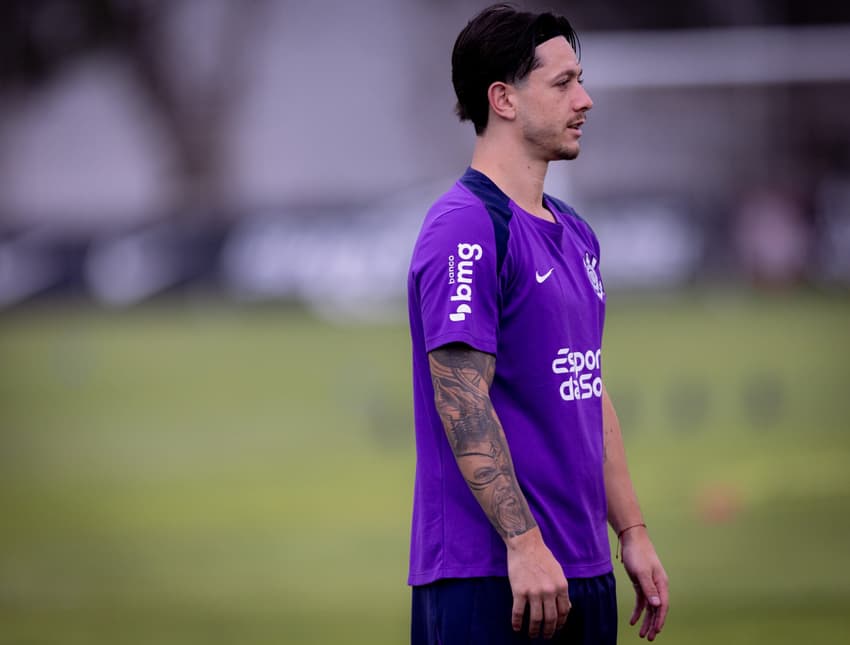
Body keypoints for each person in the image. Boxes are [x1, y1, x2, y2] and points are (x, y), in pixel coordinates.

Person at [406, 4, 669, 644]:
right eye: (562, 83)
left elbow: (587, 388)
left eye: (580, 81)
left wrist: (631, 531)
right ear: (503, 99)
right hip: (493, 573)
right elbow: (461, 399)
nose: (584, 99)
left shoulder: (576, 233)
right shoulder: (466, 228)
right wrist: (524, 543)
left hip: (583, 567)